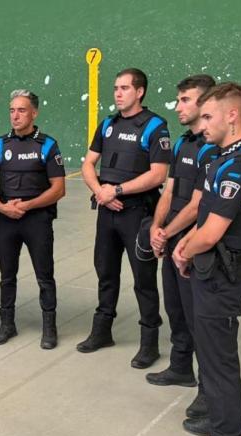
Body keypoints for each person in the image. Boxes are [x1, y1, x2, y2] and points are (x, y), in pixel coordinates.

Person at [172, 82, 241, 436]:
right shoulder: (221, 158)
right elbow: (202, 217)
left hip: (222, 274)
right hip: (209, 269)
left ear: (233, 115)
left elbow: (212, 233)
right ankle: (217, 417)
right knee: (212, 360)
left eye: (209, 116)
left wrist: (184, 250)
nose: (202, 122)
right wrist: (188, 243)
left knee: (219, 365)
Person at [78, 68, 171, 368]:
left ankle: (150, 342)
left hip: (138, 213)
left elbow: (158, 174)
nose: (118, 93)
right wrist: (101, 192)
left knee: (143, 279)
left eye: (124, 88)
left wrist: (116, 189)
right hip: (107, 212)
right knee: (105, 273)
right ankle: (102, 331)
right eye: (116, 88)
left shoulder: (155, 126)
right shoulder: (107, 124)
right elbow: (89, 164)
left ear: (140, 91)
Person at [146, 75, 219, 418]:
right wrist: (157, 228)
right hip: (172, 239)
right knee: (175, 309)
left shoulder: (211, 149)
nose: (179, 106)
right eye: (179, 99)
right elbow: (171, 190)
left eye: (186, 100)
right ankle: (179, 367)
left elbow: (197, 204)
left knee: (197, 317)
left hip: (195, 246)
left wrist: (168, 232)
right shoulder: (181, 145)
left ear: (205, 104)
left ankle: (208, 390)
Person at [0, 89, 66, 349]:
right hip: (6, 219)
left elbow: (58, 189)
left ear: (34, 113)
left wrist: (26, 205)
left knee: (44, 276)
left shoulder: (48, 144)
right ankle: (7, 324)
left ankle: (49, 327)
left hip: (37, 220)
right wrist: (2, 206)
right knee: (7, 275)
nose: (15, 116)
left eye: (21, 110)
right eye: (12, 110)